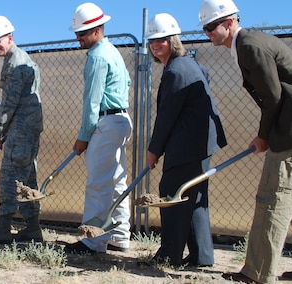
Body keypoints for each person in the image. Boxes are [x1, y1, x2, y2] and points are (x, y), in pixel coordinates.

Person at [197, 0, 292, 282]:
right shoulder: (252, 42)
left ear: (230, 22)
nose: (208, 33)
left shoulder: (249, 46)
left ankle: (258, 273)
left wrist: (264, 136)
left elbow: (272, 97)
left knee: (273, 198)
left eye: (211, 27)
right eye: (205, 29)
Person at [143, 13, 227, 266]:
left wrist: (153, 150)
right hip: (200, 143)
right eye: (152, 41)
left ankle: (169, 255)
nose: (156, 45)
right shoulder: (190, 64)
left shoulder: (176, 71)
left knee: (172, 196)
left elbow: (167, 116)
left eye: (162, 40)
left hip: (188, 145)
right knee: (195, 199)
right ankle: (202, 256)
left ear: (173, 40)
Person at [62, 2, 133, 255]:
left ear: (97, 30)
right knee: (116, 180)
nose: (78, 38)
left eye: (81, 33)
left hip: (105, 122)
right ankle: (119, 236)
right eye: (76, 33)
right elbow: (127, 82)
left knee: (98, 183)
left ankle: (93, 240)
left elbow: (92, 100)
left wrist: (84, 137)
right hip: (121, 120)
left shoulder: (97, 56)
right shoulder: (113, 51)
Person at [0, 15, 44, 245]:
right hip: (27, 128)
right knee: (27, 178)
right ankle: (33, 228)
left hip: (20, 129)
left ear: (10, 37)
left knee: (9, 177)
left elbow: (9, 104)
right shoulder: (19, 59)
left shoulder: (15, 63)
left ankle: (3, 228)